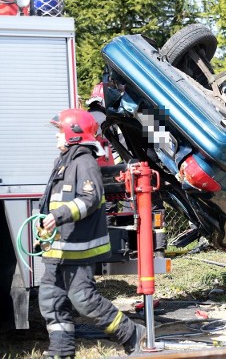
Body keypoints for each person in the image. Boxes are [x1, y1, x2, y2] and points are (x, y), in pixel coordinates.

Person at [38, 108, 145, 358]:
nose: (56, 138)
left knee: (83, 299)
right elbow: (52, 202)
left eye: (59, 133)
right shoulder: (63, 163)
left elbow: (90, 198)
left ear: (73, 134)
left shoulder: (84, 162)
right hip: (58, 249)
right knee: (50, 299)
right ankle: (61, 352)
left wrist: (58, 215)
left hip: (77, 247)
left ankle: (130, 334)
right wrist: (44, 220)